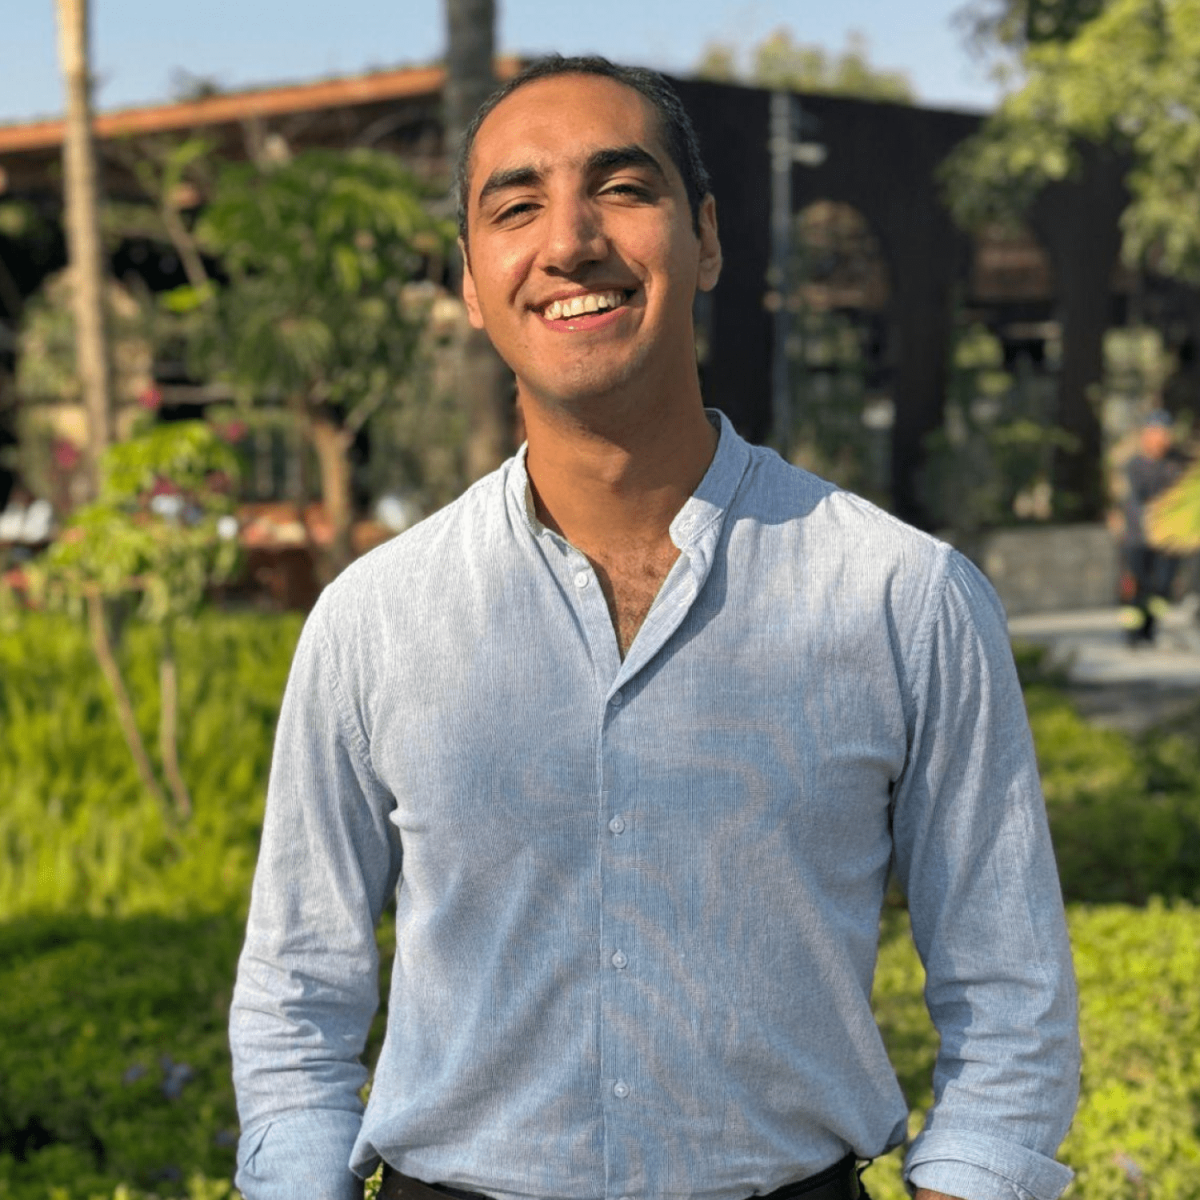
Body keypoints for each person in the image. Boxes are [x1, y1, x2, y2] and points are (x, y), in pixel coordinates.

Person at [230, 56, 1079, 1200]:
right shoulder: (372, 622)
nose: (569, 241)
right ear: (473, 283)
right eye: (516, 207)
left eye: (622, 188)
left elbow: (1013, 994)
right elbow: (297, 996)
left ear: (707, 239)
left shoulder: (903, 599)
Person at [1119, 409, 1187, 645]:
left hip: (1167, 539)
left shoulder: (1176, 464)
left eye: (1166, 433)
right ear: (1146, 435)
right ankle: (1133, 634)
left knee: (1162, 587)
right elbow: (1138, 500)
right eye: (1157, 432)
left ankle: (1150, 629)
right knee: (1138, 586)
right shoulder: (1135, 465)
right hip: (1138, 537)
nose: (1162, 438)